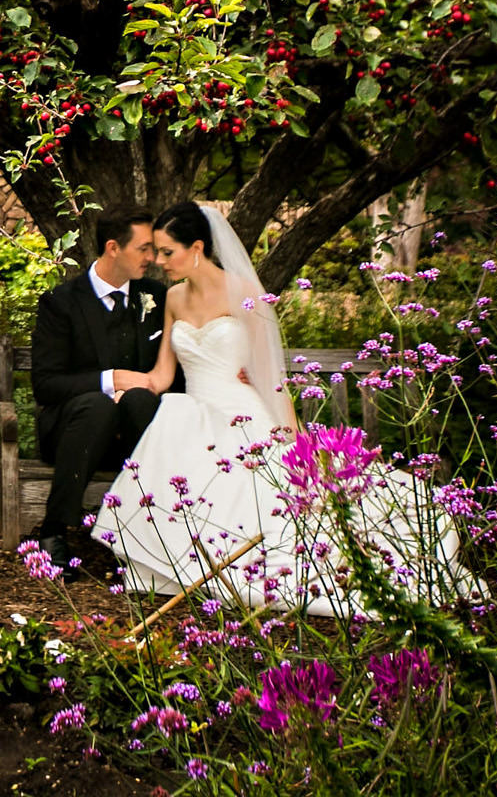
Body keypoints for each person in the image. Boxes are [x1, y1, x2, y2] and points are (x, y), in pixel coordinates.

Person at [92, 200, 471, 615]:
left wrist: (296, 444)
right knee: (175, 412)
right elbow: (162, 376)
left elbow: (271, 379)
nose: (160, 262)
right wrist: (121, 386)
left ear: (196, 247)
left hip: (244, 415)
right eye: (157, 252)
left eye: (168, 252)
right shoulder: (174, 298)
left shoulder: (244, 294)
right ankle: (166, 563)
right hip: (197, 415)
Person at [26, 212, 175, 578]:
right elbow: (46, 385)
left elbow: (174, 370)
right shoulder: (61, 302)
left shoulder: (157, 297)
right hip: (74, 431)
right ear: (113, 248)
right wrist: (112, 380)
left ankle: (146, 538)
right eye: (144, 248)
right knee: (97, 405)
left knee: (142, 400)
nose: (152, 258)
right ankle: (54, 530)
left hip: (135, 429)